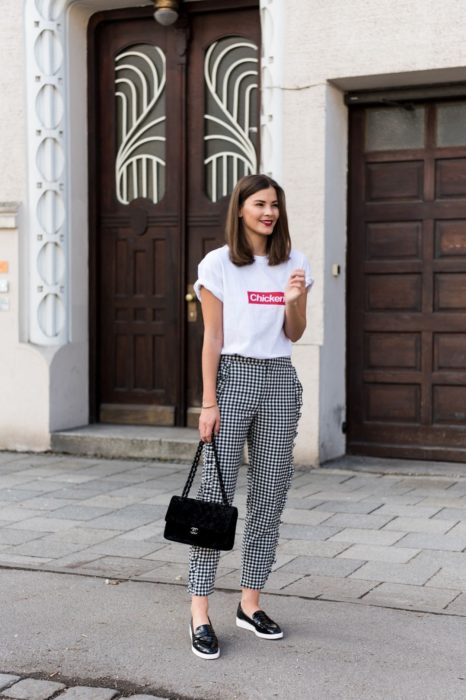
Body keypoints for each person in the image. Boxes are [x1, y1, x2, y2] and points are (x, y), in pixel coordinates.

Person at [188, 173, 313, 660]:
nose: (269, 212)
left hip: (280, 379)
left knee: (269, 495)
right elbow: (212, 339)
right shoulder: (218, 265)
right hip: (234, 379)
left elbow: (295, 333)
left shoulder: (294, 262)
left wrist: (294, 301)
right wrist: (209, 400)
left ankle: (250, 604)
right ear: (240, 209)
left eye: (276, 205)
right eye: (260, 203)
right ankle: (200, 612)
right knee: (214, 498)